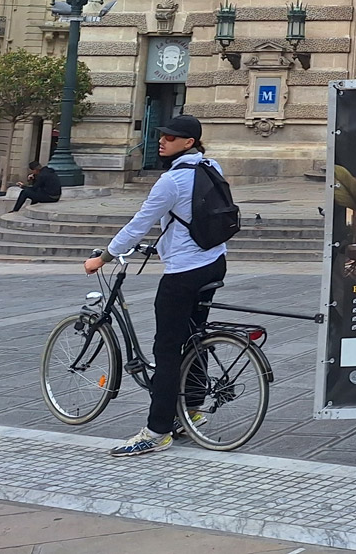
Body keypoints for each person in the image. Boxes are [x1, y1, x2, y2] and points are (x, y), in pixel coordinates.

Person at [83, 115, 227, 458]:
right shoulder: (211, 166)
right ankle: (191, 410)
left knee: (166, 350)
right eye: (162, 134)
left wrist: (103, 257)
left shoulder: (171, 181)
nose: (162, 141)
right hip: (214, 260)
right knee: (194, 337)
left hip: (184, 272)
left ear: (188, 142)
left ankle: (157, 429)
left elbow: (139, 225)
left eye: (171, 137)